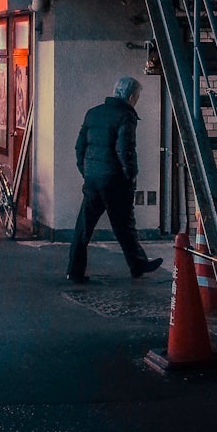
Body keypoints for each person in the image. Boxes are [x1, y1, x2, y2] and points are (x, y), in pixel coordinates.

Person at [66, 75, 163, 283]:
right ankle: (137, 265)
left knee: (84, 226)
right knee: (124, 225)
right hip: (115, 181)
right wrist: (132, 174)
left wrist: (87, 172)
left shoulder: (93, 113)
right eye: (137, 97)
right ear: (130, 97)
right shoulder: (125, 116)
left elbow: (79, 147)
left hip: (92, 180)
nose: (137, 101)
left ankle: (74, 271)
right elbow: (125, 149)